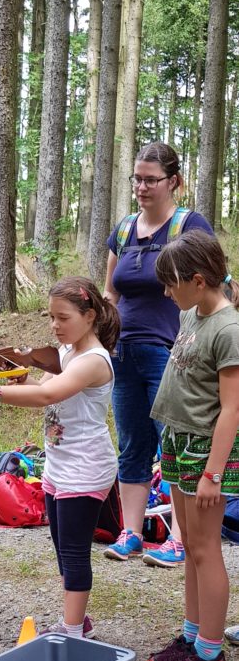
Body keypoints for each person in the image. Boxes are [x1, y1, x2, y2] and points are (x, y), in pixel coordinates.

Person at [0, 276, 120, 641]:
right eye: (51, 317)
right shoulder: (67, 353)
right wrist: (18, 378)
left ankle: (73, 631)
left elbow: (48, 396)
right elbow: (41, 387)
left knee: (75, 553)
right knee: (63, 547)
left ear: (90, 316)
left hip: (86, 467)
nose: (54, 325)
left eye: (63, 318)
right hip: (61, 465)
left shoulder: (93, 360)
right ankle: (77, 620)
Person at [103, 142, 214, 567]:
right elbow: (111, 291)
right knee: (132, 444)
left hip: (174, 355)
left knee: (175, 443)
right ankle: (131, 533)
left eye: (151, 179)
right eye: (137, 178)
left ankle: (180, 538)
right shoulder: (125, 230)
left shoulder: (189, 225)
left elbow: (216, 283)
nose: (142, 187)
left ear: (174, 182)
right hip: (124, 352)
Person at [145, 229, 239, 661]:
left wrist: (213, 475)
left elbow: (232, 409)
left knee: (205, 549)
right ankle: (192, 634)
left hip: (206, 452)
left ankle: (210, 654)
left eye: (171, 284)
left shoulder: (227, 328)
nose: (166, 292)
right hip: (179, 442)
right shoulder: (192, 314)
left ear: (198, 280)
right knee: (190, 551)